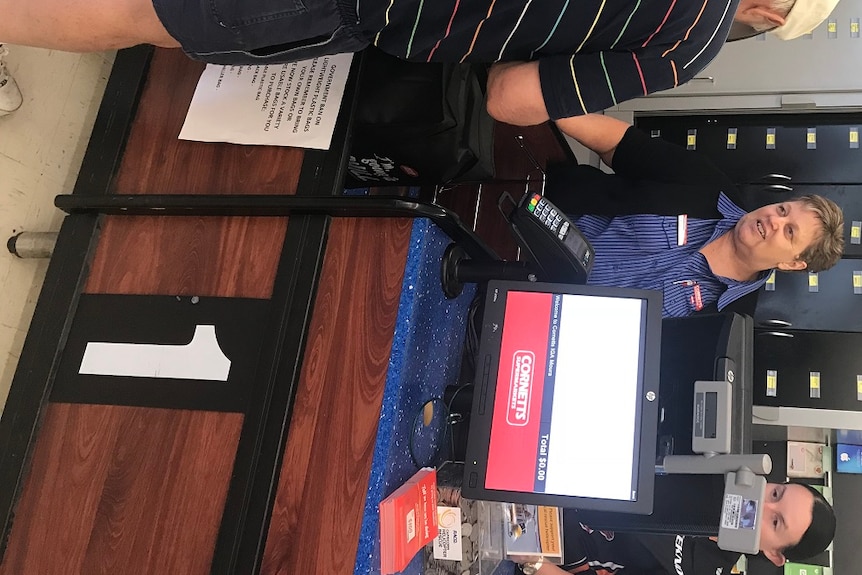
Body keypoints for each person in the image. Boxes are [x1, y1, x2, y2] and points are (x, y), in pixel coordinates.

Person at [0, 0, 840, 127]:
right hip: (373, 7)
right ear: (771, 18)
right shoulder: (690, 40)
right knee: (144, 14)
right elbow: (514, 97)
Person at [543, 114, 844, 317]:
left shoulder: (730, 317)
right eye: (782, 209)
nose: (774, 220)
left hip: (544, 322)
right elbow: (620, 145)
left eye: (789, 231)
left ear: (792, 263)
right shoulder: (708, 186)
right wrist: (547, 102)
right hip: (525, 220)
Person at [515, 481, 836, 574]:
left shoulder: (703, 570)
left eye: (776, 521)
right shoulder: (714, 468)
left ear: (774, 553)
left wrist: (529, 558)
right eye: (776, 493)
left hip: (534, 541)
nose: (763, 505)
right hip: (539, 478)